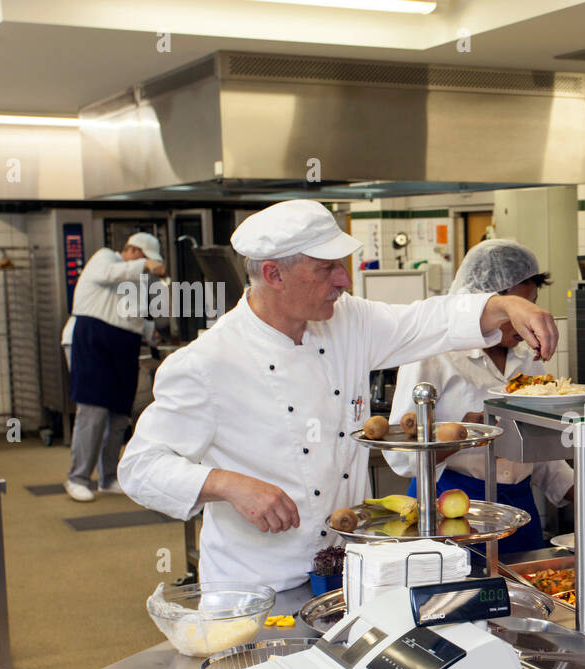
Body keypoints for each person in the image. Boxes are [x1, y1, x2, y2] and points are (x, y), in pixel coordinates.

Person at [119, 200, 557, 592]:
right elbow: (139, 468)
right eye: (326, 268)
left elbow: (423, 321)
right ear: (274, 274)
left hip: (349, 568)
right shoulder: (208, 362)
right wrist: (227, 484)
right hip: (256, 583)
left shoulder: (345, 322)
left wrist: (503, 307)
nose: (344, 280)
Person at [384, 240, 585, 553]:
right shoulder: (435, 354)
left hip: (518, 510)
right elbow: (400, 457)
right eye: (517, 311)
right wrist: (466, 434)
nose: (523, 324)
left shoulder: (527, 356)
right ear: (484, 304)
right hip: (451, 508)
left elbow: (541, 453)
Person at [63, 232, 166, 502]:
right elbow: (108, 274)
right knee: (93, 412)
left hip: (124, 347)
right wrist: (143, 266)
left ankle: (108, 477)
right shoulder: (104, 258)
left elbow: (132, 313)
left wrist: (150, 332)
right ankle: (78, 478)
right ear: (132, 251)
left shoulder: (137, 279)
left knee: (119, 416)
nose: (148, 266)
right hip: (93, 341)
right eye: (145, 259)